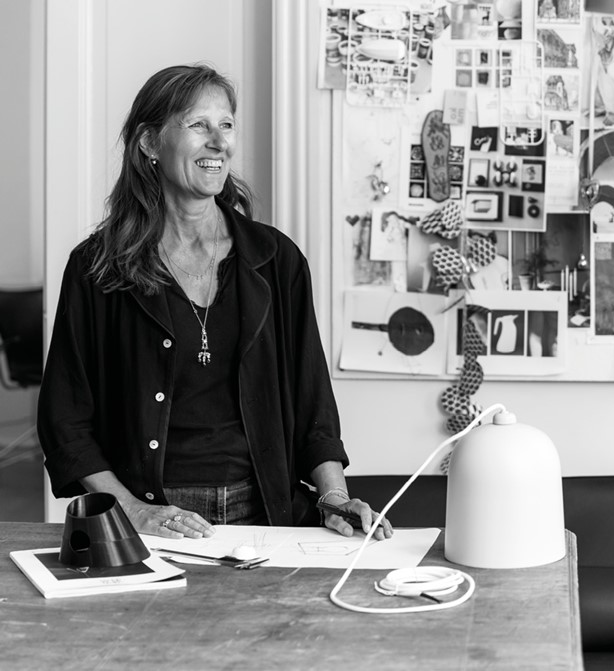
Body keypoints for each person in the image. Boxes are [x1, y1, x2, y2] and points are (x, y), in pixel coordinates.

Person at [37, 64, 392, 542]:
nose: (219, 142)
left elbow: (313, 401)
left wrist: (333, 496)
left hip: (266, 510)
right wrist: (132, 511)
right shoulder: (98, 267)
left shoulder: (276, 259)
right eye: (198, 125)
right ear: (149, 143)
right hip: (153, 516)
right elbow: (65, 419)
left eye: (226, 125)